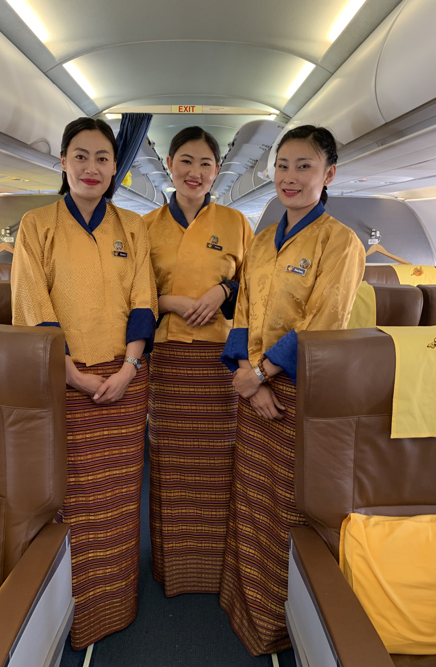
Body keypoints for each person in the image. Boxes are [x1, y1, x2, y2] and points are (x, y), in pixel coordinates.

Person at [11, 117, 157, 651]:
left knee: (121, 498)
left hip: (123, 380)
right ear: (64, 163)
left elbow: (145, 301)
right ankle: (74, 607)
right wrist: (69, 370)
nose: (91, 167)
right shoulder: (37, 224)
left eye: (101, 158)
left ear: (115, 167)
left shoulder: (132, 228)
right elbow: (32, 302)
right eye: (80, 156)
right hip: (64, 380)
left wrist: (129, 368)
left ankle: (117, 601)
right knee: (73, 497)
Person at [219, 125, 365, 655]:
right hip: (255, 388)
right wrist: (247, 373)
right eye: (283, 165)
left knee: (287, 505)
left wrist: (262, 376)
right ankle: (245, 605)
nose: (290, 177)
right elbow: (245, 311)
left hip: (297, 397)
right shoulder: (261, 240)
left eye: (304, 166)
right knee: (250, 498)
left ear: (328, 175)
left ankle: (283, 623)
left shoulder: (341, 243)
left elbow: (323, 323)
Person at [142, 126, 254, 597]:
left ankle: (216, 565)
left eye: (205, 164)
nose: (195, 172)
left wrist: (223, 290)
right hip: (169, 360)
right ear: (170, 164)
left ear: (216, 171)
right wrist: (166, 302)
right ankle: (174, 567)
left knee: (219, 463)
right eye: (186, 161)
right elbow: (129, 293)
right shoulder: (144, 225)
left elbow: (253, 290)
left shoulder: (236, 222)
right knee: (170, 463)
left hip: (219, 361)